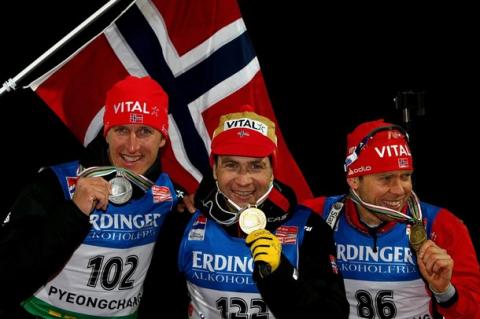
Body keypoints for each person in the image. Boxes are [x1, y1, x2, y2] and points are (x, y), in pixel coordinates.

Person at [0, 75, 182, 318]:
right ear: (106, 133)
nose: (132, 146)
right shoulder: (56, 182)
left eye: (144, 131)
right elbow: (7, 274)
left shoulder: (170, 193)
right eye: (121, 130)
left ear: (162, 139)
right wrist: (73, 212)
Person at [141, 106, 349, 318]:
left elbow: (331, 314)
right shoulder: (184, 219)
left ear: (272, 170)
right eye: (231, 165)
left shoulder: (307, 226)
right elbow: (157, 305)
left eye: (256, 166)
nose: (243, 180)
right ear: (214, 169)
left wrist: (279, 274)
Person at [303, 119, 480, 318]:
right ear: (353, 179)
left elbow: (473, 312)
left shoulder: (442, 224)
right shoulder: (315, 215)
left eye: (405, 176)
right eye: (385, 178)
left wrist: (444, 291)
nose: (399, 190)